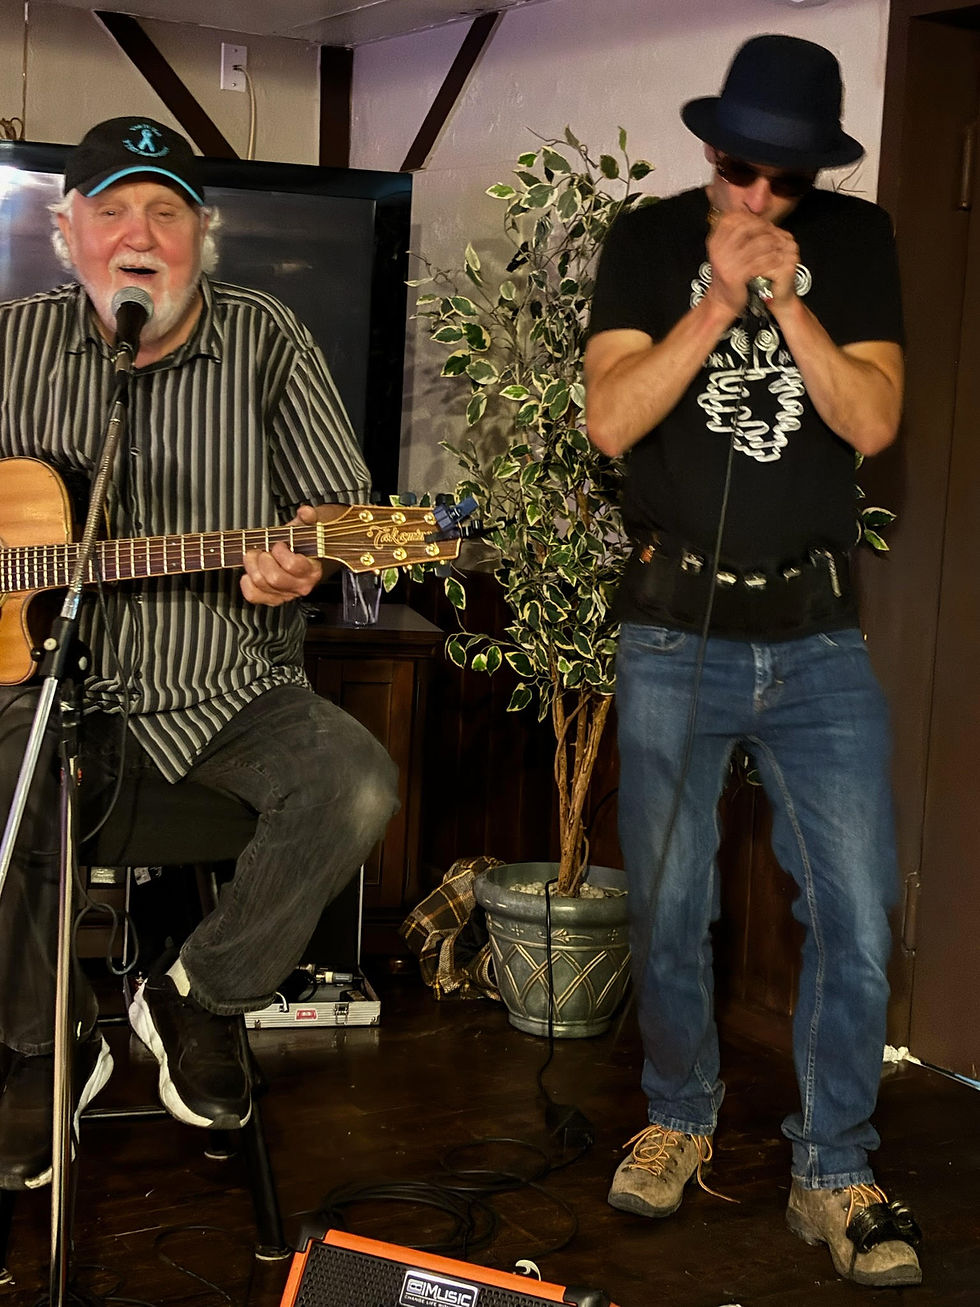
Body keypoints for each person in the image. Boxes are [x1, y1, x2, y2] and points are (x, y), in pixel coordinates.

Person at [0, 117, 400, 1188]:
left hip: (231, 689)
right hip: (49, 693)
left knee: (356, 782)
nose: (141, 234)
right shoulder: (14, 338)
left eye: (166, 211)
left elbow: (339, 507)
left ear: (202, 235)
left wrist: (304, 561)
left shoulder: (266, 336)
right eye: (115, 209)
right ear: (67, 229)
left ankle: (196, 996)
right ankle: (47, 1045)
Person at [584, 36, 920, 1288]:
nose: (755, 199)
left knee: (854, 910)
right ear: (708, 149)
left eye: (781, 180)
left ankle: (832, 1167)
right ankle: (678, 1113)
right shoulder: (645, 239)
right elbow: (611, 418)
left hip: (819, 635)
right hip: (677, 630)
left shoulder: (863, 243)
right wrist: (716, 299)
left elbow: (871, 420)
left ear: (810, 173)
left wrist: (785, 296)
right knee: (669, 903)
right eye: (737, 170)